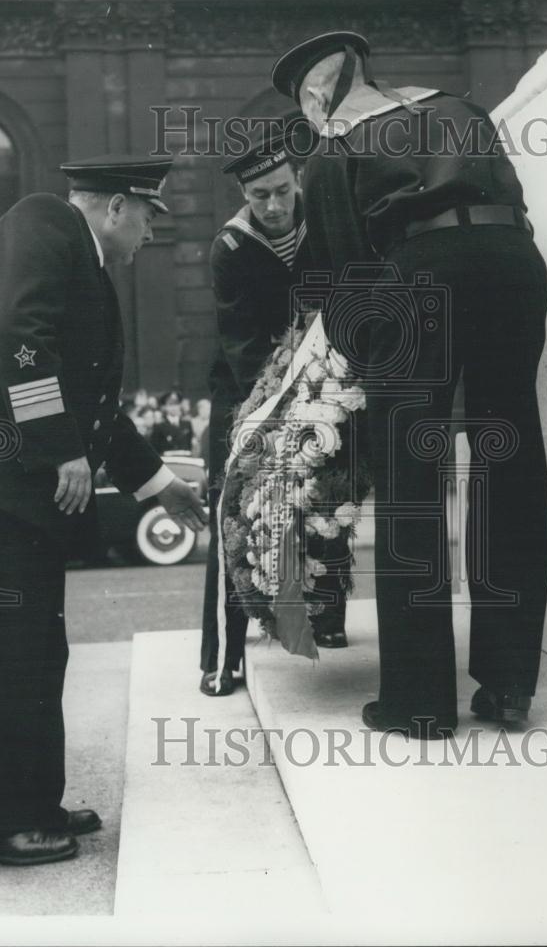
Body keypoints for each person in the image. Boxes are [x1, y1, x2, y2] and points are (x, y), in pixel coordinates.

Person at [0, 154, 206, 865]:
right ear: (113, 207)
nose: (150, 235)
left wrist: (158, 483)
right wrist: (59, 446)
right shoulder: (44, 222)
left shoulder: (79, 255)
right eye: (148, 217)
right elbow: (21, 339)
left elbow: (94, 404)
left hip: (10, 484)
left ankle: (27, 804)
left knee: (33, 649)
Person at [272, 31, 547, 737]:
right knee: (508, 465)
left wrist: (363, 365)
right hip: (515, 262)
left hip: (423, 274)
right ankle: (509, 684)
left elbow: (330, 278)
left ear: (316, 95)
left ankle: (419, 701)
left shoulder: (333, 147)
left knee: (409, 478)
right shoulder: (461, 108)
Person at [200, 127, 351, 698]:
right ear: (245, 194)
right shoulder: (230, 249)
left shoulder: (326, 222)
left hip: (324, 377)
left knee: (330, 490)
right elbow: (241, 346)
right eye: (259, 194)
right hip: (249, 393)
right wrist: (280, 408)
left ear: (297, 181)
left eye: (282, 190)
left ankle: (329, 613)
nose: (273, 205)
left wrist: (325, 387)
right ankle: (223, 655)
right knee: (235, 511)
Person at [151, 389, 194, 454]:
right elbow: (155, 448)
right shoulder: (159, 426)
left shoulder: (187, 424)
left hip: (184, 461)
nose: (174, 407)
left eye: (176, 404)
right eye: (170, 404)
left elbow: (189, 445)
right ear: (165, 407)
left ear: (180, 405)